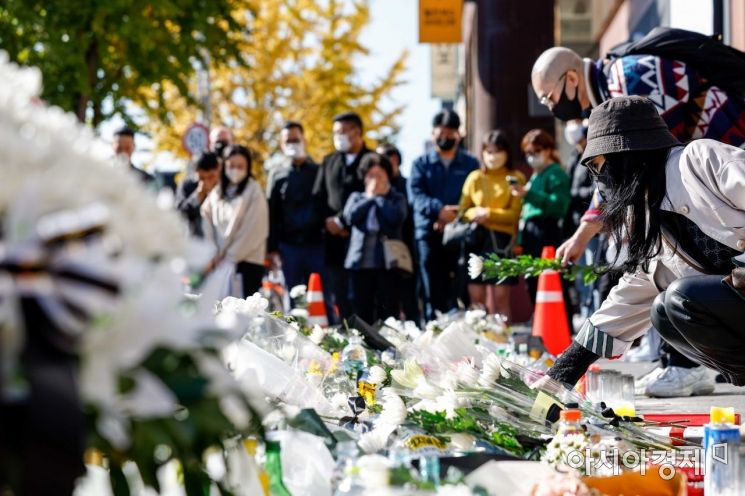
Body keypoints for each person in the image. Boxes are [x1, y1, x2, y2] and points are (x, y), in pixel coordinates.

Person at [531, 45, 745, 393]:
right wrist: (562, 374)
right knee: (665, 311)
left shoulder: (700, 160)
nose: (602, 184)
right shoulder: (652, 219)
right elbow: (626, 302)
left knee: (682, 296)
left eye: (603, 169)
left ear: (628, 158)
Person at [408, 110, 479, 321]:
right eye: (441, 133)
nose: (445, 137)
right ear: (432, 134)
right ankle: (432, 327)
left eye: (450, 133)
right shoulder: (420, 163)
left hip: (460, 234)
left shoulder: (470, 163)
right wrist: (439, 211)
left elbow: (474, 195)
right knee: (431, 287)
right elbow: (416, 195)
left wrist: (453, 216)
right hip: (428, 233)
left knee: (459, 286)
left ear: (458, 134)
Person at [313, 112, 373, 322]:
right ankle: (345, 333)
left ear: (357, 132)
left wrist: (345, 222)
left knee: (362, 294)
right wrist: (329, 222)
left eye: (342, 132)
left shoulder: (371, 160)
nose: (338, 137)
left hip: (363, 239)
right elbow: (318, 197)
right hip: (334, 241)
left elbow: (372, 197)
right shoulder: (329, 161)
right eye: (335, 133)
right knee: (339, 293)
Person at [459, 130, 525, 320]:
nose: (492, 156)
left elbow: (515, 215)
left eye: (497, 151)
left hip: (502, 241)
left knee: (501, 297)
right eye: (488, 151)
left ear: (506, 152)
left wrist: (488, 214)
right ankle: (478, 342)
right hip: (476, 238)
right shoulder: (475, 177)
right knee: (476, 298)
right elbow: (463, 211)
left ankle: (505, 343)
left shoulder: (516, 177)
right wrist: (474, 213)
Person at [267, 122, 329, 305]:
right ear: (281, 144)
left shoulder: (318, 171)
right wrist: (272, 249)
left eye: (296, 139)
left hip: (316, 245)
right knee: (293, 299)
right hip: (288, 247)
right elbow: (271, 212)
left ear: (304, 140)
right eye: (288, 141)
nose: (292, 144)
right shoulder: (276, 174)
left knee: (321, 298)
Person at [510, 129, 571, 312]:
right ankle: (543, 326)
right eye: (528, 153)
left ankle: (560, 325)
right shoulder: (537, 174)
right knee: (534, 281)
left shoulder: (555, 173)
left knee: (550, 280)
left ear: (547, 150)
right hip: (531, 233)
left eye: (535, 152)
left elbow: (559, 205)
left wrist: (529, 194)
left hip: (546, 231)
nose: (531, 157)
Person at [343, 153, 407, 324]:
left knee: (388, 310)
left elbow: (396, 218)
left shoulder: (396, 198)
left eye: (380, 175)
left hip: (387, 263)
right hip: (360, 263)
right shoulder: (357, 197)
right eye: (371, 175)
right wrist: (370, 198)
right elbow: (350, 217)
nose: (375, 180)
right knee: (361, 309)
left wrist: (380, 198)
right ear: (364, 178)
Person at [201, 145, 268, 298]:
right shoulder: (218, 192)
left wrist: (230, 257)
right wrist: (213, 251)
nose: (235, 170)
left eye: (240, 166)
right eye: (231, 166)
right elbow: (206, 215)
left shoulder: (254, 190)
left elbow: (254, 229)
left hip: (246, 262)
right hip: (219, 262)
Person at [377, 143, 421, 324]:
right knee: (386, 302)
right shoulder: (373, 186)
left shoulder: (406, 185)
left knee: (409, 298)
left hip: (406, 249)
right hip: (379, 253)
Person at [176, 152, 221, 238]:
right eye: (202, 178)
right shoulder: (187, 185)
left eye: (211, 177)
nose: (207, 182)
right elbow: (180, 214)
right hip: (196, 241)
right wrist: (198, 195)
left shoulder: (225, 185)